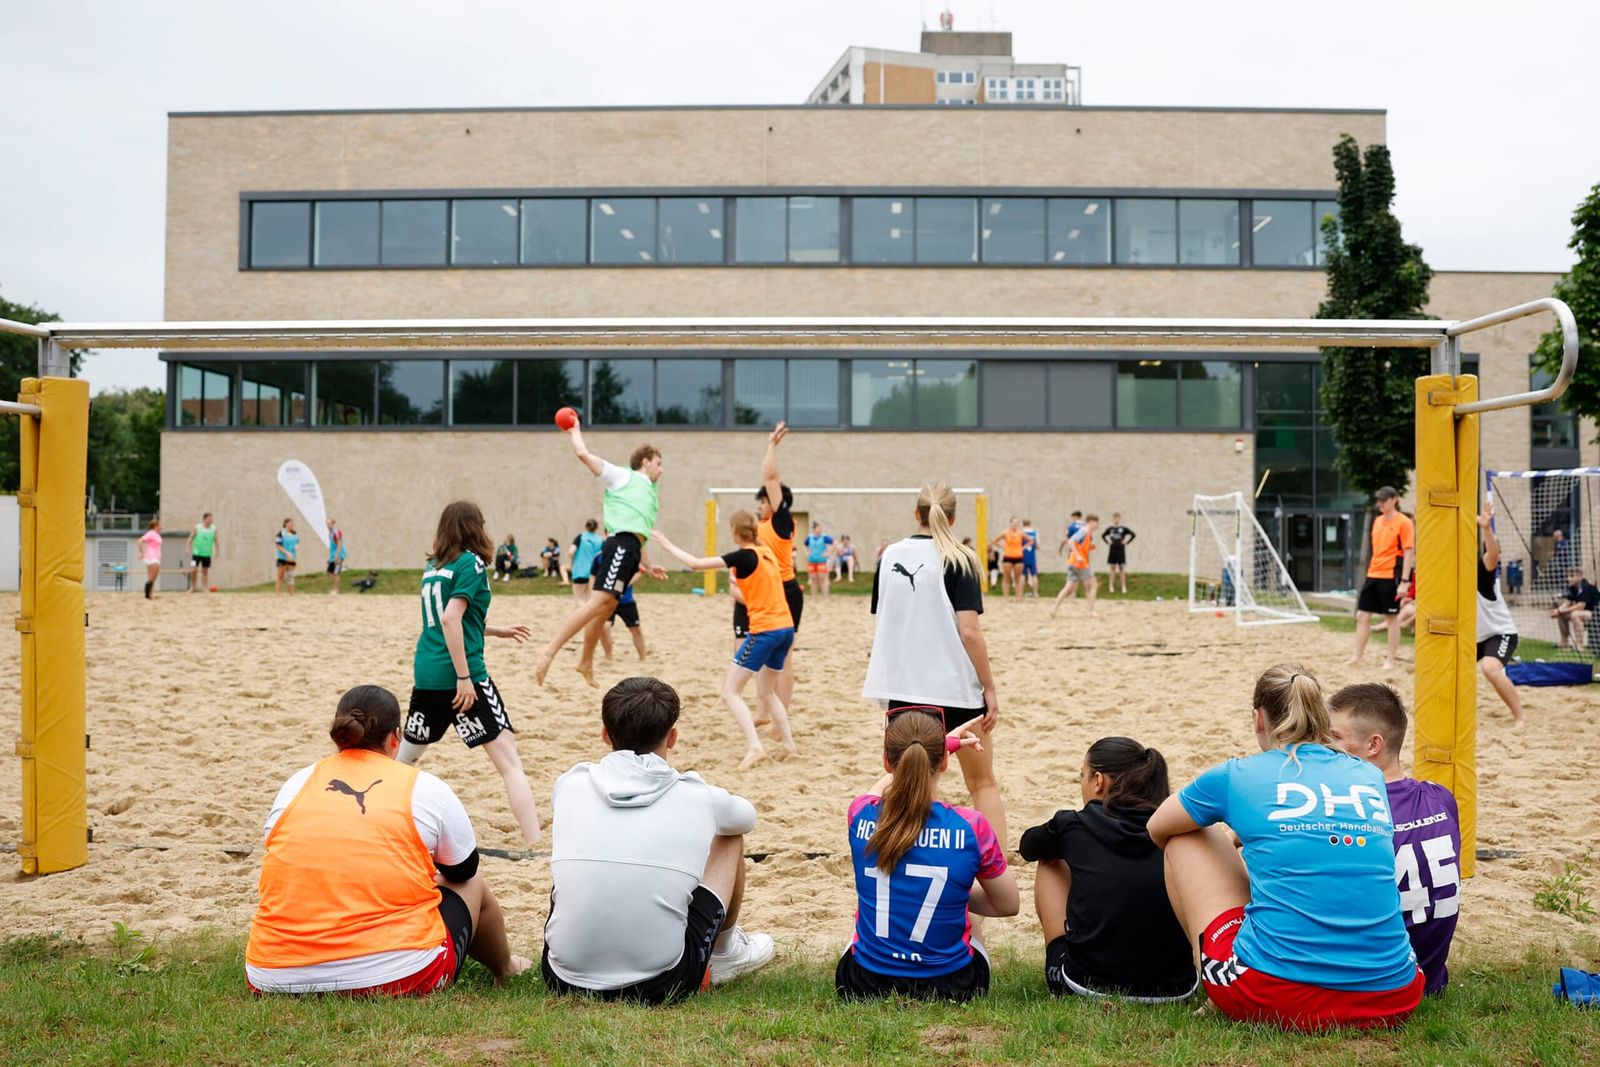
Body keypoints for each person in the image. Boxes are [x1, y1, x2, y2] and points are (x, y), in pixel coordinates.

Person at [1147, 664, 1424, 1031]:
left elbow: (1157, 827)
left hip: (1275, 995)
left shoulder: (1238, 775)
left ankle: (1212, 981)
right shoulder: (1368, 775)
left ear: (1258, 719)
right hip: (1395, 992)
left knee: (1187, 836)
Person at [245, 684, 530, 995]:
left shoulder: (295, 784)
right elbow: (462, 871)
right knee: (472, 883)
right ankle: (505, 969)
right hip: (398, 975)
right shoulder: (423, 787)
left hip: (271, 973)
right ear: (396, 737)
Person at [543, 677, 775, 1003]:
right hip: (661, 982)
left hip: (562, 977)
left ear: (605, 734)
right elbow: (746, 817)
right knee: (730, 837)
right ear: (673, 737)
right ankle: (725, 953)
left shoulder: (571, 783)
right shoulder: (697, 796)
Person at [837, 708, 1016, 1000]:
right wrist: (952, 891)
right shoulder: (970, 826)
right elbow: (1008, 904)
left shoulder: (859, 814)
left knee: (866, 913)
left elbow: (873, 794)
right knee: (962, 906)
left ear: (886, 761)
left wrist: (939, 748)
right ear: (944, 762)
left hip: (863, 983)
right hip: (954, 986)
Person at [398, 501, 541, 844]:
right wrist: (464, 678)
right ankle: (535, 843)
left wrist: (495, 630)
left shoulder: (434, 565)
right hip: (463, 677)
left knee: (401, 764)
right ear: (474, 527)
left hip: (427, 674)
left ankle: (370, 819)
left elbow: (451, 621)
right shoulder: (471, 563)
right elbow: (450, 619)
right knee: (510, 763)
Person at [1019, 737, 1196, 1001]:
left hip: (1085, 985)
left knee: (1049, 859)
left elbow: (1028, 847)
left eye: (1083, 776)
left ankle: (1063, 958)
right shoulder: (1173, 829)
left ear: (1098, 781)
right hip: (1177, 989)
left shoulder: (1073, 825)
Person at [1328, 682, 1461, 996]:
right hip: (1431, 977)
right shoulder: (1442, 798)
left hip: (1376, 983)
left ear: (1373, 745)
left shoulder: (1348, 813)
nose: (1324, 747)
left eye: (1334, 737)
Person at [653, 513, 798, 769]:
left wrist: (667, 545)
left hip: (765, 630)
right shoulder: (766, 552)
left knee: (730, 692)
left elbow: (696, 564)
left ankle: (755, 748)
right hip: (785, 628)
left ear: (734, 531)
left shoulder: (743, 556)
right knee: (766, 691)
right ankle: (789, 745)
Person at [534, 417, 667, 688]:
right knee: (597, 603)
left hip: (631, 549)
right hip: (619, 545)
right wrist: (575, 429)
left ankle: (585, 662)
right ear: (645, 462)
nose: (661, 469)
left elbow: (640, 535)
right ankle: (548, 650)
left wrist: (649, 564)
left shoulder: (649, 493)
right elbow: (583, 454)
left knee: (606, 606)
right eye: (658, 463)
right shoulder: (624, 476)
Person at [864, 483, 999, 731]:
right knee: (978, 760)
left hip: (903, 689)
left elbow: (887, 622)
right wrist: (989, 687)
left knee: (914, 759)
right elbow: (969, 633)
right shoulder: (960, 558)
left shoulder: (888, 557)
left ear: (917, 514)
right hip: (955, 691)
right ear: (952, 518)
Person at [747, 423, 804, 714]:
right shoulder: (761, 526)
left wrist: (771, 444)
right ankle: (764, 713)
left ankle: (781, 719)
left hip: (785, 591)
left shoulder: (782, 522)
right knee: (766, 656)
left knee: (784, 658)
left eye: (763, 500)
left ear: (775, 501)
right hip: (767, 592)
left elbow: (770, 477)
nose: (759, 505)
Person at [1350, 486, 1414, 671]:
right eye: (1379, 500)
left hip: (1391, 575)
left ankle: (1390, 660)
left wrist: (1405, 582)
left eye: (1384, 500)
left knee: (1391, 617)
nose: (1380, 503)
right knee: (1362, 615)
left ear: (1394, 500)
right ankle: (1356, 656)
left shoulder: (1404, 522)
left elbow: (1409, 553)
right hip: (1373, 573)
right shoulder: (1377, 520)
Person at [1476, 503, 1527, 726]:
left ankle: (1520, 716)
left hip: (1500, 633)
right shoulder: (1451, 574)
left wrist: (1487, 529)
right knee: (1445, 666)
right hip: (1474, 637)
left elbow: (1493, 555)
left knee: (1490, 668)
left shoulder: (1482, 574)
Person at [569, 519, 615, 661]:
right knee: (591, 601)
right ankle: (590, 622)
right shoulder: (600, 540)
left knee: (580, 599)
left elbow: (571, 551)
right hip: (594, 573)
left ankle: (584, 621)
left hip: (579, 571)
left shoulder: (581, 537)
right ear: (597, 527)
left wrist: (572, 562)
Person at [1051, 514, 1099, 617]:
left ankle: (1054, 609)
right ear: (1091, 522)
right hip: (1080, 563)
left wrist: (1090, 547)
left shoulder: (1087, 533)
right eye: (1096, 523)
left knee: (1067, 588)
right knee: (1094, 585)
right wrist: (1078, 555)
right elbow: (1071, 541)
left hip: (1073, 563)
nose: (1097, 525)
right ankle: (1091, 611)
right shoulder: (1084, 531)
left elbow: (1080, 547)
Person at [1551, 566, 1599, 653]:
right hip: (1587, 614)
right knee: (1562, 615)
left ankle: (1579, 645)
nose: (1568, 578)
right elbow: (1567, 603)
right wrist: (1557, 611)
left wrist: (1561, 610)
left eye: (1572, 576)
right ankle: (1564, 643)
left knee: (1575, 614)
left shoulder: (1584, 586)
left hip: (1596, 615)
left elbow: (1580, 606)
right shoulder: (1572, 587)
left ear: (1580, 576)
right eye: (1567, 576)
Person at [609, 581, 648, 661]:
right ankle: (608, 657)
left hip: (626, 602)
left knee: (636, 630)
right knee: (605, 628)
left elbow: (639, 573)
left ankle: (643, 657)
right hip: (608, 601)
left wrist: (624, 583)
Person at [1100, 514, 1136, 595]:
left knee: (1121, 568)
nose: (1116, 520)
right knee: (1112, 567)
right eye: (1115, 518)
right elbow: (1103, 535)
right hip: (1112, 549)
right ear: (1113, 519)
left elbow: (1133, 535)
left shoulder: (1123, 529)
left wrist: (1126, 542)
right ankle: (1111, 586)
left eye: (1118, 518)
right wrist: (1107, 542)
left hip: (1121, 550)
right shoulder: (1110, 529)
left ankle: (1123, 586)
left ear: (1120, 519)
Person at [991, 517, 1026, 601]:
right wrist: (1003, 547)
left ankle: (1018, 597)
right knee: (1006, 578)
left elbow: (1030, 541)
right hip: (1008, 557)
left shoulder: (1020, 533)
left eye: (1016, 523)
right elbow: (995, 540)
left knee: (1018, 578)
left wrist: (1023, 548)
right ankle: (1006, 597)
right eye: (1013, 523)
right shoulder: (1006, 532)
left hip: (1018, 557)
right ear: (1010, 523)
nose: (1015, 524)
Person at [186, 512, 216, 594]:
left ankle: (204, 588)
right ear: (205, 519)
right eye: (209, 518)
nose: (211, 520)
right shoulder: (197, 527)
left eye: (212, 519)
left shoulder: (213, 529)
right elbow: (190, 538)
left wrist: (217, 550)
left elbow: (216, 540)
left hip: (207, 554)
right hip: (196, 554)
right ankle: (192, 587)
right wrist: (187, 548)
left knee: (205, 571)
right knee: (193, 570)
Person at [804, 521, 834, 598]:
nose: (820, 530)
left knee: (822, 579)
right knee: (813, 580)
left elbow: (834, 543)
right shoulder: (810, 537)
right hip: (812, 560)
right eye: (818, 528)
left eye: (820, 528)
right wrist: (807, 552)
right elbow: (805, 545)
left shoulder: (824, 537)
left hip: (821, 561)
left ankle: (825, 597)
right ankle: (814, 598)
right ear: (814, 529)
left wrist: (828, 552)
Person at [274, 518, 298, 596]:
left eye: (292, 523)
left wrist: (296, 546)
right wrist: (286, 552)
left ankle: (291, 593)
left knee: (290, 576)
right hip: (282, 557)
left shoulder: (295, 534)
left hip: (292, 557)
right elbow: (278, 545)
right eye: (290, 523)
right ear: (285, 524)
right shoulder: (280, 533)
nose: (291, 524)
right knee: (280, 576)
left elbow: (297, 542)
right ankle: (278, 593)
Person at [140, 519, 162, 600]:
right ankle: (147, 595)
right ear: (156, 526)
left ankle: (151, 594)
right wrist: (142, 553)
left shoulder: (156, 534)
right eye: (159, 525)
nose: (161, 526)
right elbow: (140, 541)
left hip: (155, 557)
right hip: (152, 557)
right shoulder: (151, 533)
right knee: (152, 577)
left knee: (153, 577)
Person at [326, 518, 347, 595]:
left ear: (333, 524)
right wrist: (330, 557)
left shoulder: (336, 532)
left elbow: (339, 545)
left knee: (336, 573)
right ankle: (334, 589)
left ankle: (336, 590)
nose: (328, 525)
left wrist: (337, 557)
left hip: (339, 555)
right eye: (327, 523)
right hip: (333, 555)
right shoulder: (330, 532)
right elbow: (332, 546)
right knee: (330, 572)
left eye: (329, 523)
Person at [1021, 519, 1041, 598]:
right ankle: (1035, 593)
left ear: (1023, 524)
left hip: (1023, 556)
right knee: (1034, 575)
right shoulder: (1035, 533)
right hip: (1032, 556)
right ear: (1030, 524)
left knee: (1022, 575)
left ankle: (1021, 593)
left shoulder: (1021, 532)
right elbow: (1038, 545)